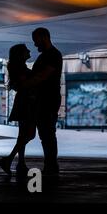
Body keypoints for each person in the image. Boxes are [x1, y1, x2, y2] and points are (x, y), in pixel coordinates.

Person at [24, 27, 63, 175]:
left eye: (36, 41)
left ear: (44, 37)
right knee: (46, 134)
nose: (35, 45)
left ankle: (51, 165)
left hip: (48, 99)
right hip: (46, 99)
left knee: (47, 133)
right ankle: (50, 164)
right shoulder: (47, 56)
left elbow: (41, 76)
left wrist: (24, 85)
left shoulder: (53, 55)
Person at [0, 44, 36, 176]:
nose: (29, 51)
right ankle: (9, 160)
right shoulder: (20, 69)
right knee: (30, 134)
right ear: (21, 54)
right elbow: (24, 85)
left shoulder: (19, 68)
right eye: (26, 50)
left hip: (22, 102)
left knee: (23, 135)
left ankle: (21, 163)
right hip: (27, 103)